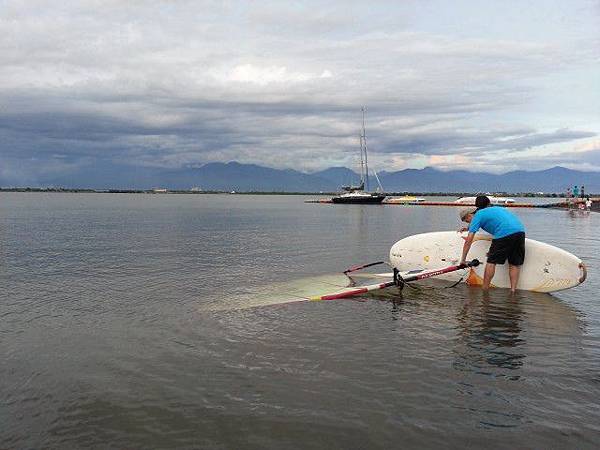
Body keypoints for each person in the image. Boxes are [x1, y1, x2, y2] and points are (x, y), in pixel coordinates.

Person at [459, 196, 526, 293]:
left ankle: (485, 290)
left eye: (467, 221)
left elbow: (468, 240)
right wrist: (468, 228)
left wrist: (463, 260)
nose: (469, 223)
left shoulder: (478, 215)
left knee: (491, 262)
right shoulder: (496, 209)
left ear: (469, 215)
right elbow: (496, 220)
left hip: (503, 233)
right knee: (514, 264)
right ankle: (513, 291)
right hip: (520, 232)